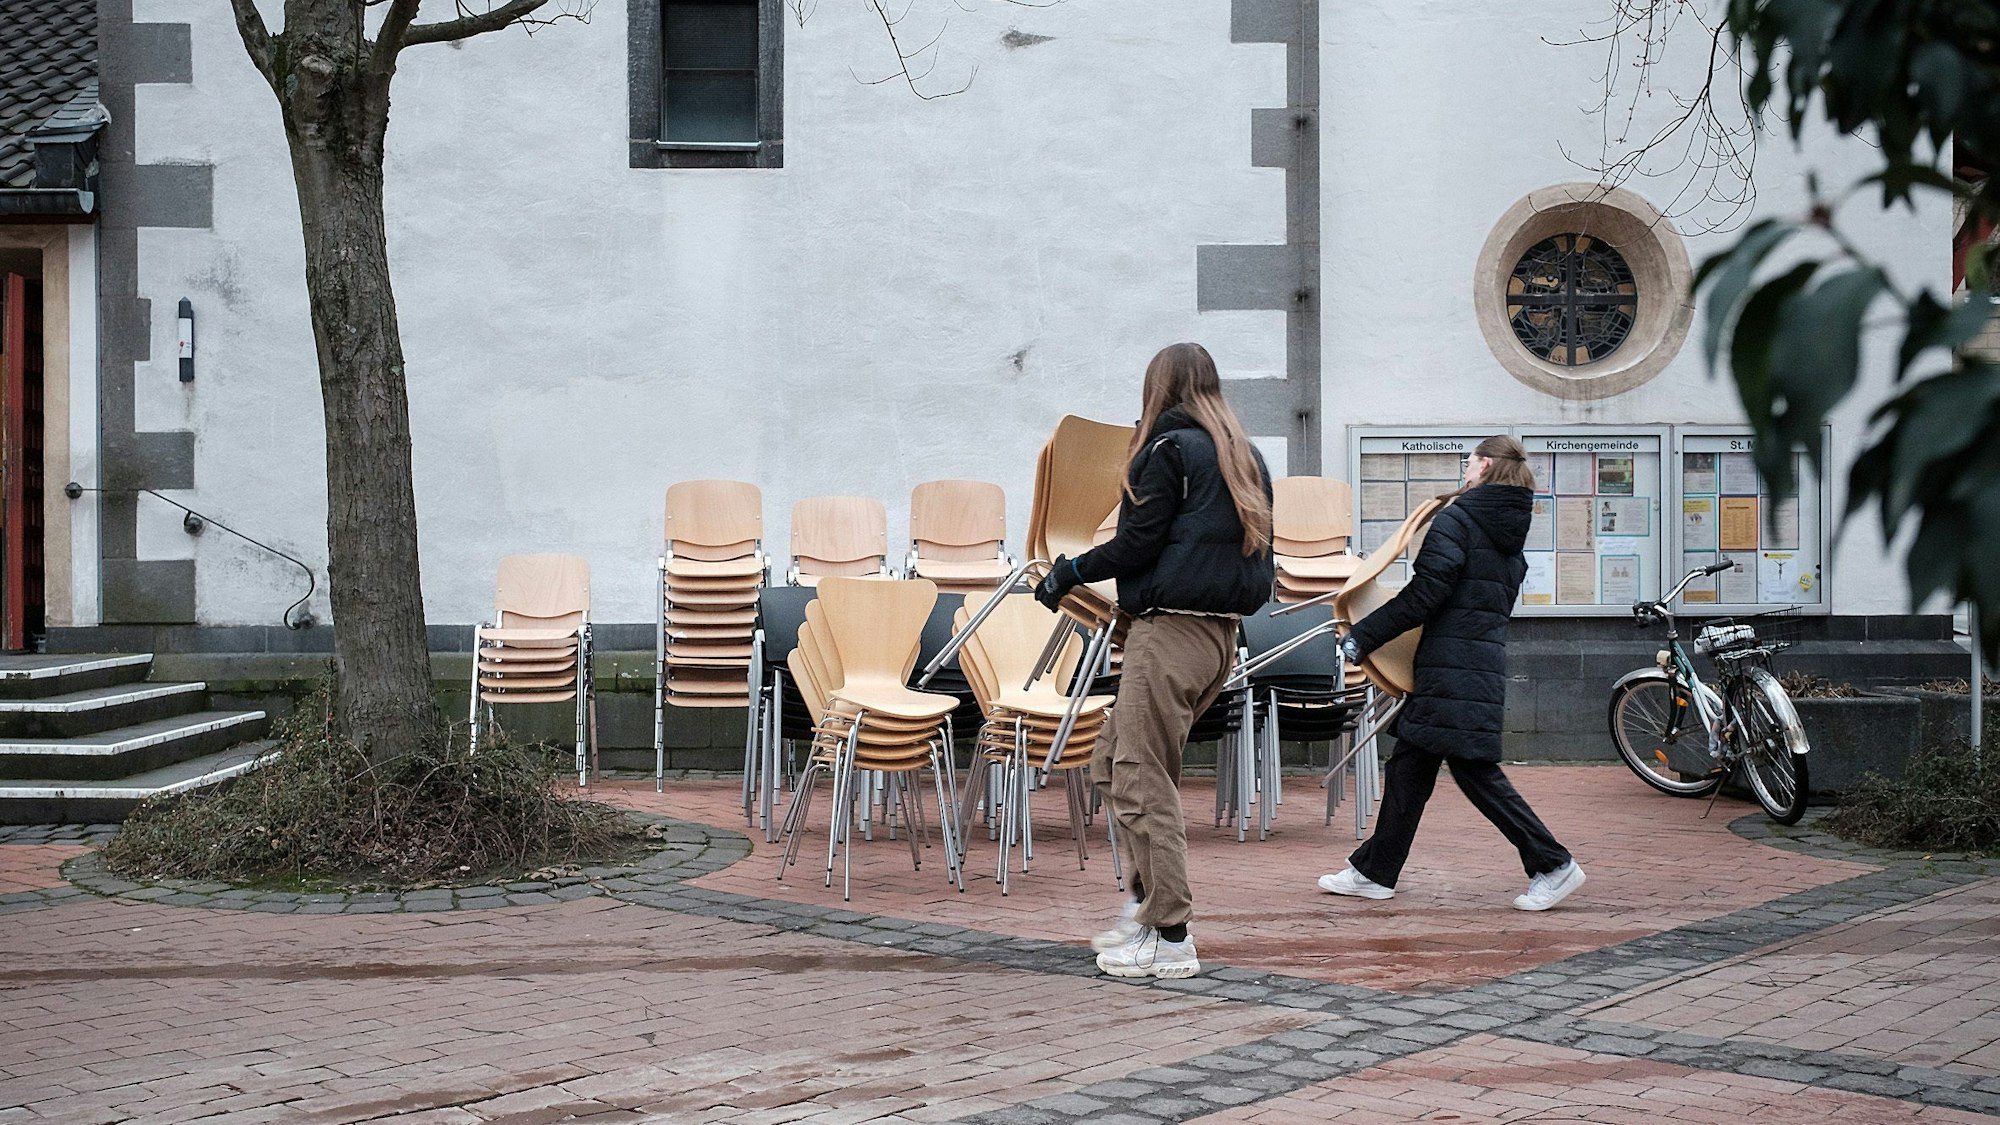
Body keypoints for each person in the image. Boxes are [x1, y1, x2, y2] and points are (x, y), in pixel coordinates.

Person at [1035, 341, 1274, 980]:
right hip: (1218, 637)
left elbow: (1136, 545)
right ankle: (1147, 907)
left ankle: (1170, 934)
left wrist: (1070, 573)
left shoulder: (1166, 451)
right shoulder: (1243, 456)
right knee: (1114, 763)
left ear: (1157, 389)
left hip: (1168, 635)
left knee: (1141, 777)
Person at [1319, 435, 1584, 911]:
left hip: (1451, 667)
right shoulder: (1508, 530)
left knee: (1475, 772)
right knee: (1409, 768)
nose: (1464, 469)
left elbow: (1425, 595)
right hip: (1470, 664)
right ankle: (1375, 871)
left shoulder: (1459, 520)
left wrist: (1365, 636)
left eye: (1468, 462)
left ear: (1483, 465)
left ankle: (1553, 863)